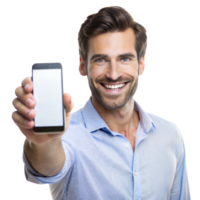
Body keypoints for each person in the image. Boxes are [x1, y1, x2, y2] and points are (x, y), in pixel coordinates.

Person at [10, 5, 192, 200]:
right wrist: (43, 143)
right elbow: (46, 169)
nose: (113, 74)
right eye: (100, 60)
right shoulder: (66, 135)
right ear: (82, 66)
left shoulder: (170, 135)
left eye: (124, 58)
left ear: (142, 64)